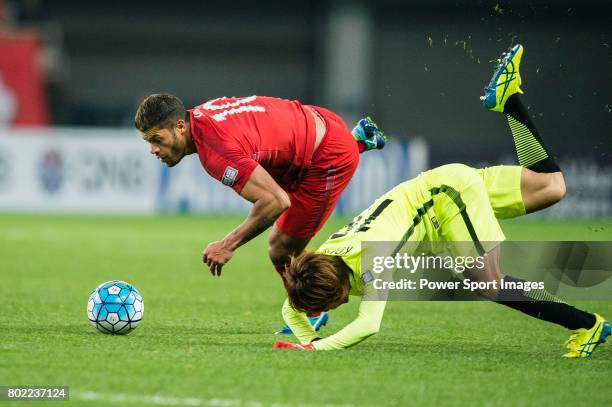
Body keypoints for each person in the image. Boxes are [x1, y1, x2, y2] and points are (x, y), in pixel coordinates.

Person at [274, 44, 611, 357]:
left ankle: (588, 326)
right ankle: (509, 100)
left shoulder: (374, 259)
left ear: (338, 292)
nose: (333, 309)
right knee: (551, 187)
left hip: (447, 199)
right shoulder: (321, 260)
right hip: (438, 187)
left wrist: (314, 349)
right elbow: (290, 306)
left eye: (330, 306)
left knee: (489, 284)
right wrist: (310, 337)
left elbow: (368, 325)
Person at [134, 93, 386, 331]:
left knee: (281, 248)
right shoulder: (201, 116)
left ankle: (314, 309)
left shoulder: (216, 151)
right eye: (149, 142)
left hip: (326, 158)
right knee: (276, 193)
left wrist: (227, 244)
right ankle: (357, 141)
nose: (153, 150)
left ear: (180, 127)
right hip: (315, 123)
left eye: (157, 140)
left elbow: (276, 202)